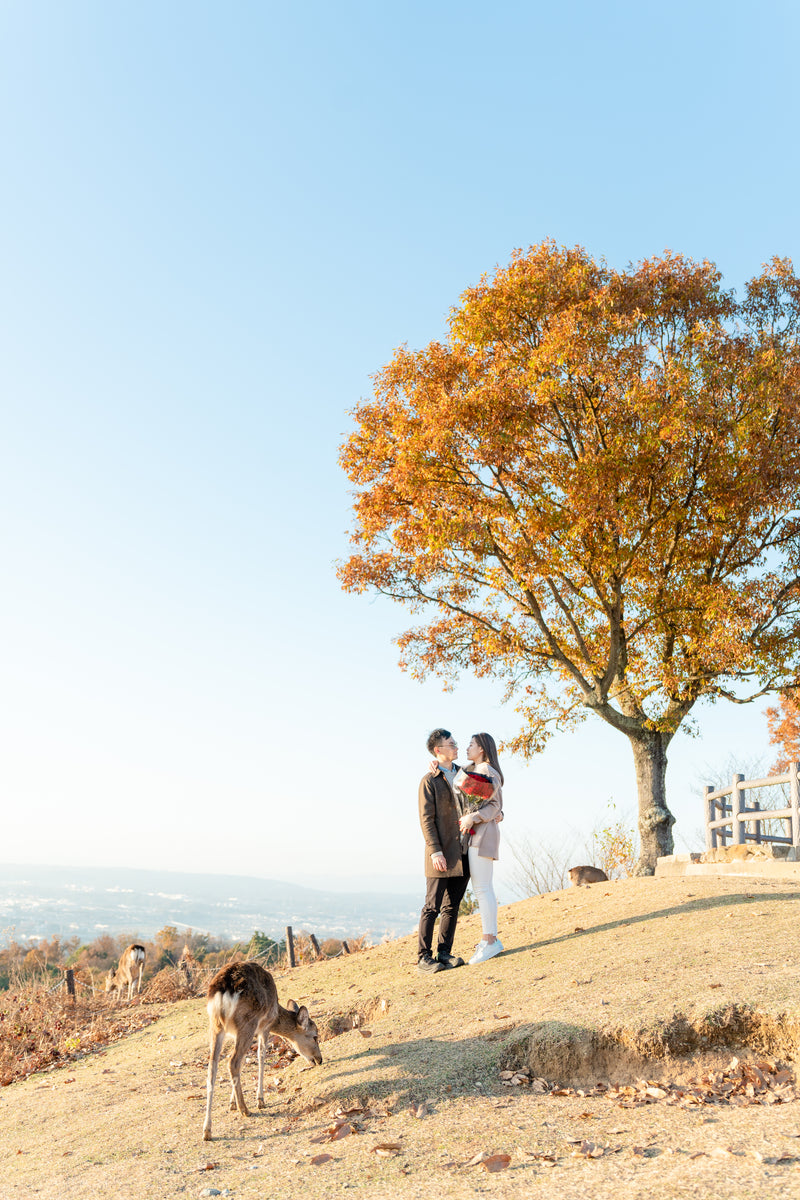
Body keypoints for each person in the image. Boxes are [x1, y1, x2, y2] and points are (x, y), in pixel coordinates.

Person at [416, 728, 470, 974]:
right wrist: (435, 851)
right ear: (439, 750)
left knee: (452, 906)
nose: (456, 747)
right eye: (451, 744)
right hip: (440, 853)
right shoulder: (429, 780)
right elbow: (426, 819)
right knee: (432, 906)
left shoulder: (464, 775)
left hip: (464, 850)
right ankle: (423, 957)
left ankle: (444, 953)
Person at [455, 733, 504, 965]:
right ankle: (488, 940)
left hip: (483, 835)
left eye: (471, 745)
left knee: (483, 888)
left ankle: (490, 941)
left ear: (482, 748)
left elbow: (495, 806)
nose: (467, 748)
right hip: (478, 834)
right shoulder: (477, 770)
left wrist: (473, 817)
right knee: (483, 888)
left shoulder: (489, 772)